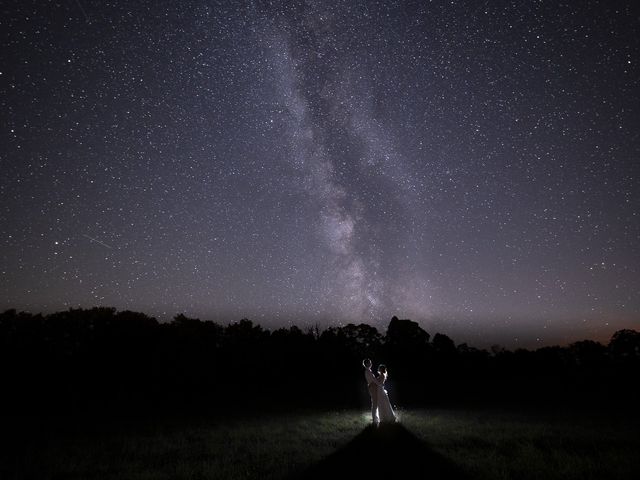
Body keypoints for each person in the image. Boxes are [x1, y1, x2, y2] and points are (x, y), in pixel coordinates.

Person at [362, 358, 379, 425]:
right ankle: (374, 418)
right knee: (374, 402)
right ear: (367, 364)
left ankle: (375, 417)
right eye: (370, 362)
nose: (371, 363)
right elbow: (373, 379)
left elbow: (373, 379)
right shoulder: (368, 371)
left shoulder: (368, 370)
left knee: (375, 402)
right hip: (372, 387)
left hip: (372, 386)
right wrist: (379, 383)